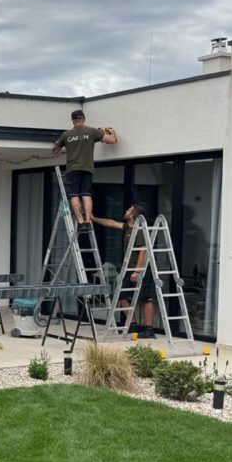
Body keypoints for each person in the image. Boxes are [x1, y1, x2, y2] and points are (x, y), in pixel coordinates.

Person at [92, 203, 156, 338]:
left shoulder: (139, 230)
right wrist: (93, 218)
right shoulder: (128, 227)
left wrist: (137, 271)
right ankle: (133, 325)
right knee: (122, 297)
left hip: (141, 269)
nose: (126, 211)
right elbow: (112, 223)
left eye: (129, 210)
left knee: (146, 298)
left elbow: (143, 251)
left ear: (133, 215)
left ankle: (149, 330)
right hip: (128, 269)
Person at [52, 109, 118, 229]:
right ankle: (88, 221)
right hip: (87, 168)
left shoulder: (66, 135)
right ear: (83, 119)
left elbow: (55, 151)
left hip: (72, 169)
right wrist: (112, 132)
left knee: (74, 195)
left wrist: (60, 145)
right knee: (86, 194)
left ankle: (81, 222)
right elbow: (111, 140)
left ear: (72, 120)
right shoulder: (91, 131)